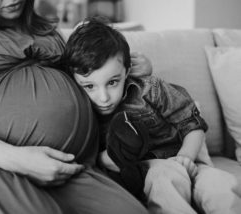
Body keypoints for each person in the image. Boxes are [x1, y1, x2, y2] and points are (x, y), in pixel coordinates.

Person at [0, 1, 149, 213]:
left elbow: (95, 72)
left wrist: (136, 67)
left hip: (72, 168)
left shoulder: (48, 31)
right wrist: (18, 159)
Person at [61, 18, 241, 214]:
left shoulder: (150, 89)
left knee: (221, 185)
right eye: (89, 86)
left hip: (186, 161)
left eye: (113, 82)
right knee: (166, 177)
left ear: (127, 71)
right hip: (148, 173)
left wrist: (186, 157)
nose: (103, 98)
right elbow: (92, 159)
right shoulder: (79, 112)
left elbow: (193, 125)